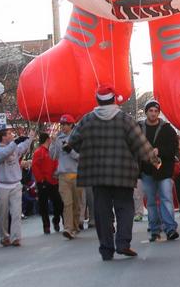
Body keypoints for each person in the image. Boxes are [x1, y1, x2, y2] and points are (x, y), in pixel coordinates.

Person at [66, 84, 160, 260]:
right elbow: (140, 145)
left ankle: (106, 249)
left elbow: (72, 142)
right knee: (125, 208)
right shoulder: (125, 119)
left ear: (97, 100)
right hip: (122, 173)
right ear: (114, 99)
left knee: (102, 212)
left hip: (97, 175)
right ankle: (123, 243)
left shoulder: (87, 120)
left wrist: (77, 149)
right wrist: (156, 162)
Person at [140, 99, 180, 241]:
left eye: (156, 111)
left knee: (166, 199)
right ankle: (155, 230)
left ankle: (170, 229)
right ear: (146, 112)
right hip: (146, 170)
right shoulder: (139, 128)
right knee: (150, 201)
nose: (153, 113)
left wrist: (159, 150)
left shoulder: (167, 129)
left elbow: (173, 149)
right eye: (151, 111)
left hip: (164, 171)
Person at [0, 127, 36, 246]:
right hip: (2, 186)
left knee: (17, 212)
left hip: (16, 184)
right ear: (3, 137)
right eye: (9, 134)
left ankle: (16, 237)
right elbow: (4, 154)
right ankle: (5, 236)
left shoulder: (14, 147)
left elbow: (22, 147)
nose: (12, 135)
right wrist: (15, 143)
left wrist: (30, 137)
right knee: (3, 213)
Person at [49, 114, 82, 239]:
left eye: (65, 124)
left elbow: (81, 157)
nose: (62, 127)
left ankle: (74, 225)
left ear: (71, 125)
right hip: (63, 175)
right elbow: (53, 156)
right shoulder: (58, 138)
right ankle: (68, 228)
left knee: (76, 204)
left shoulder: (78, 138)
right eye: (61, 124)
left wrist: (70, 151)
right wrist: (52, 144)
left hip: (77, 174)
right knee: (67, 203)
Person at [31, 132, 63, 235]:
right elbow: (35, 167)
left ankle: (56, 219)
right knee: (43, 205)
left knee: (58, 202)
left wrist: (56, 173)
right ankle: (46, 226)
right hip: (43, 182)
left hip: (53, 181)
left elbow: (56, 162)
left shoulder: (51, 151)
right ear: (47, 140)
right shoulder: (38, 152)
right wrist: (41, 180)